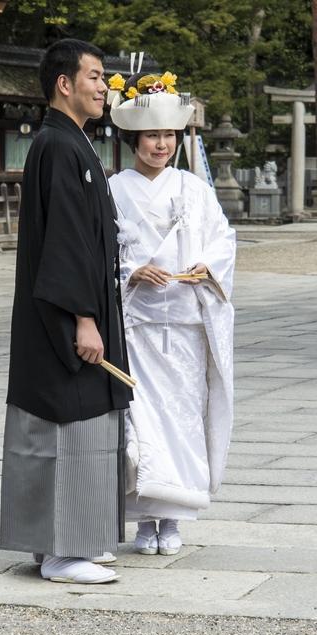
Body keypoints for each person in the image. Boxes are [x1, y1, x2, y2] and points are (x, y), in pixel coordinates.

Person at [0, 39, 132, 584]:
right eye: (96, 76)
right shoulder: (58, 146)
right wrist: (82, 317)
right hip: (63, 316)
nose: (104, 87)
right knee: (65, 420)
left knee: (77, 421)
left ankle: (60, 539)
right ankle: (61, 550)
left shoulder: (69, 144)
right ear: (65, 83)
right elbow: (67, 243)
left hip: (72, 309)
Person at [107, 69, 236, 555]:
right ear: (133, 138)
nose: (161, 144)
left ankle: (175, 518)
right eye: (152, 136)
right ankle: (144, 520)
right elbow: (104, 251)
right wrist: (133, 271)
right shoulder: (115, 189)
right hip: (138, 322)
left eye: (168, 135)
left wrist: (210, 264)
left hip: (184, 322)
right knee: (141, 422)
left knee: (182, 418)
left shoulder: (194, 188)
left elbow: (223, 237)